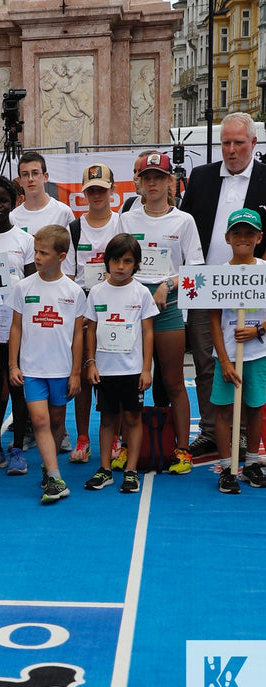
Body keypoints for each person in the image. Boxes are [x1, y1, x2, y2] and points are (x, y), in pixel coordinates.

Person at [181, 112, 266, 459]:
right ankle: (211, 432)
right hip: (205, 285)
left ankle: (244, 435)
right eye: (226, 143)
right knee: (207, 361)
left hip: (252, 287)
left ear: (253, 144)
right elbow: (187, 227)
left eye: (238, 143)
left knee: (250, 365)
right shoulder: (201, 177)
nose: (231, 150)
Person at [120, 152, 203, 475]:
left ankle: (182, 449)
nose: (153, 183)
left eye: (160, 177)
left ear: (171, 182)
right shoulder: (126, 218)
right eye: (147, 177)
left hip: (167, 308)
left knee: (172, 381)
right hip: (132, 308)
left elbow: (195, 268)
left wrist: (167, 284)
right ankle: (127, 446)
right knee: (130, 381)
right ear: (138, 182)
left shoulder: (184, 221)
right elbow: (118, 260)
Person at [8, 224, 87, 504]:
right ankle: (54, 477)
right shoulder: (23, 287)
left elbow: (78, 335)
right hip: (32, 370)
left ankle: (47, 464)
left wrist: (76, 372)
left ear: (62, 255)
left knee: (55, 421)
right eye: (36, 252)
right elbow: (16, 328)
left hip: (62, 370)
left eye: (44, 252)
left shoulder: (74, 291)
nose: (38, 257)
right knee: (39, 421)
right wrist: (13, 365)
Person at [83, 234, 158, 493]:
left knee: (133, 418)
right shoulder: (96, 292)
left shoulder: (141, 293)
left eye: (127, 261)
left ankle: (131, 470)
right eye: (116, 260)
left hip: (132, 369)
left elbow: (148, 332)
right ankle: (105, 469)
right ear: (107, 261)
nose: (121, 266)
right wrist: (91, 363)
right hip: (105, 370)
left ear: (136, 264)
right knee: (107, 419)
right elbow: (90, 330)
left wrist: (146, 368)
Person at [63, 164, 122, 464]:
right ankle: (83, 437)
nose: (97, 195)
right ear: (84, 194)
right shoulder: (74, 228)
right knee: (86, 375)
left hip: (118, 310)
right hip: (86, 311)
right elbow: (68, 276)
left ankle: (117, 438)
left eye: (102, 189)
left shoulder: (122, 224)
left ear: (112, 191)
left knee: (115, 376)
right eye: (91, 190)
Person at [0, 175, 34, 477]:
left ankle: (17, 449)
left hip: (14, 328)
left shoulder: (25, 240)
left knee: (16, 388)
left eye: (4, 200)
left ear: (14, 203)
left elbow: (29, 286)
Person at [209, 209, 266, 493]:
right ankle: (226, 466)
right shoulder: (219, 274)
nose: (243, 238)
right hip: (227, 356)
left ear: (259, 237)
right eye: (237, 233)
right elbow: (214, 319)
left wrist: (259, 330)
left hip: (257, 354)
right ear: (227, 237)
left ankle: (253, 463)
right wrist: (223, 358)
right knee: (223, 410)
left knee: (255, 408)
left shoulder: (265, 272)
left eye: (249, 233)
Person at [10, 151, 75, 234]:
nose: (30, 179)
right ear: (20, 181)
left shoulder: (63, 212)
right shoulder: (13, 217)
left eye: (35, 173)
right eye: (25, 174)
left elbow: (72, 246)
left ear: (45, 177)